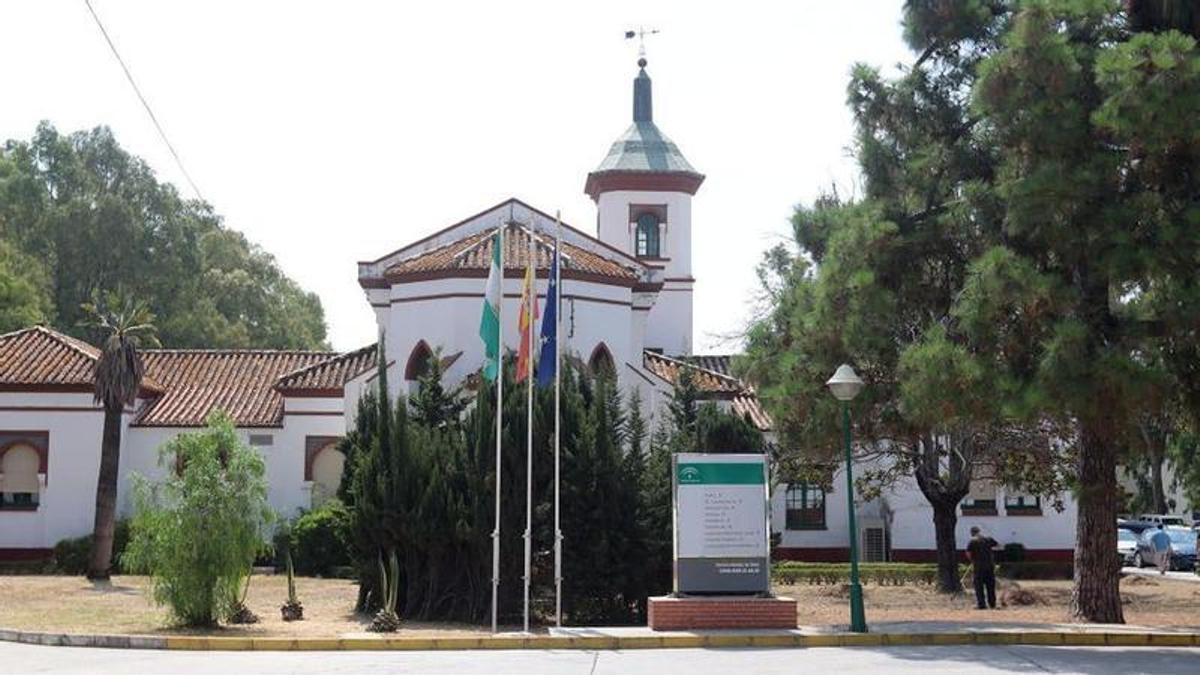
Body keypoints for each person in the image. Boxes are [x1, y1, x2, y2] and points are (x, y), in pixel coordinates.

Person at [965, 526, 998, 610]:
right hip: (990, 566)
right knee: (990, 586)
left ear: (972, 533)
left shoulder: (972, 542)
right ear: (979, 531)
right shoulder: (988, 539)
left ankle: (982, 605)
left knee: (979, 586)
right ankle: (992, 604)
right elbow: (998, 545)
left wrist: (972, 560)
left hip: (978, 566)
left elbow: (968, 553)